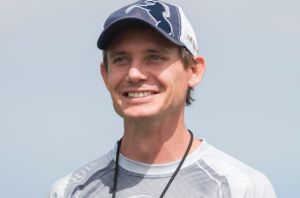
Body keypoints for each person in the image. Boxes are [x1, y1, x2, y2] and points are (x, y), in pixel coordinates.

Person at [48, 0, 277, 197]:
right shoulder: (70, 191)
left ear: (194, 71)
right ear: (105, 75)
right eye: (121, 59)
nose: (134, 73)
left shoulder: (241, 189)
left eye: (154, 57)